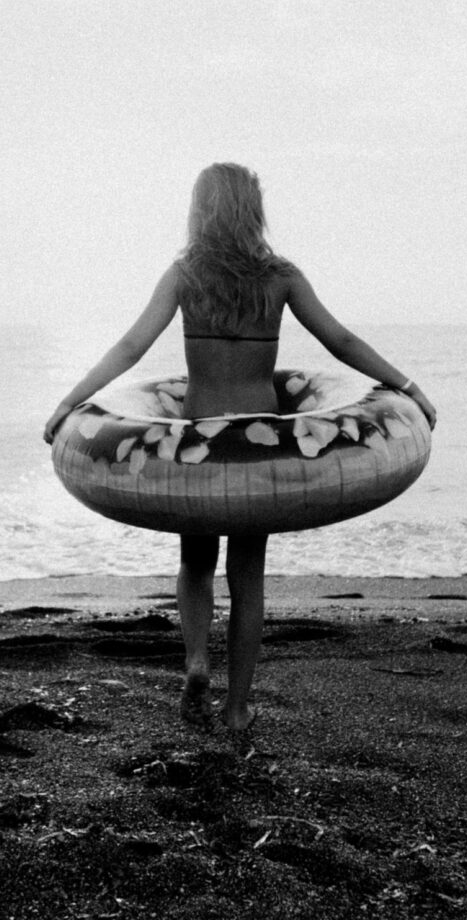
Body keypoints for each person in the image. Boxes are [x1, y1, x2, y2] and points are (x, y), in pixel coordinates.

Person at [44, 163, 436, 734]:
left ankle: (196, 660)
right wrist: (408, 387)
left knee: (195, 561)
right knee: (247, 577)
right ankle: (236, 708)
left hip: (197, 445)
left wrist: (69, 402)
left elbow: (131, 345)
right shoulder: (281, 277)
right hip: (257, 447)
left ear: (200, 210)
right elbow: (342, 340)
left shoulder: (185, 275)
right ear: (253, 210)